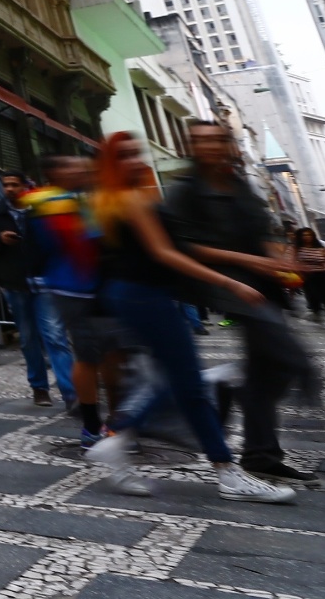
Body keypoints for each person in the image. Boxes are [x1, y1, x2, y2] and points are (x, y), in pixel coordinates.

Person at [83, 133, 295, 504]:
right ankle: (225, 473)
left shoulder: (123, 199)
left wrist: (249, 260)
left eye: (138, 153)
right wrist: (231, 282)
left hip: (137, 295)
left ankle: (119, 440)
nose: (135, 161)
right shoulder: (132, 200)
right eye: (125, 156)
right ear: (110, 165)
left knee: (178, 381)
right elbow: (167, 254)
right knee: (189, 387)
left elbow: (181, 247)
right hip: (144, 296)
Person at [161, 122, 321, 485]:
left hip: (263, 283)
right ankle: (240, 397)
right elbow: (182, 247)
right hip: (227, 286)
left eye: (218, 139)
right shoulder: (184, 190)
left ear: (229, 144)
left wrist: (282, 262)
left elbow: (262, 234)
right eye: (202, 140)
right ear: (191, 146)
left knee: (269, 372)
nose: (212, 146)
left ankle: (259, 451)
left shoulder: (241, 185)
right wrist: (253, 262)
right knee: (291, 357)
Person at [21, 155, 121, 447]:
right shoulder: (47, 205)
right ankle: (92, 424)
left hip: (92, 284)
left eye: (82, 165)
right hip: (71, 287)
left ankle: (114, 421)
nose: (80, 169)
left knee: (111, 355)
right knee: (89, 355)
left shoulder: (76, 201)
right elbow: (71, 245)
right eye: (70, 165)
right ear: (54, 173)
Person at [0, 170, 75, 409]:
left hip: (43, 281)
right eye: (5, 185)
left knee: (55, 336)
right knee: (28, 338)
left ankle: (71, 392)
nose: (9, 189)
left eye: (14, 185)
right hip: (14, 283)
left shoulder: (39, 209)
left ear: (25, 186)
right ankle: (39, 387)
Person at [294, 229, 325, 329]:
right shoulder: (298, 249)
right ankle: (316, 311)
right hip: (307, 276)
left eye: (309, 235)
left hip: (322, 274)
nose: (307, 237)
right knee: (314, 296)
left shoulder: (321, 249)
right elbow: (292, 261)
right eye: (304, 235)